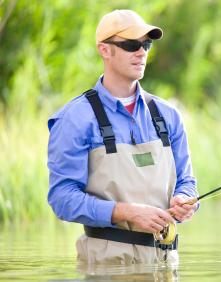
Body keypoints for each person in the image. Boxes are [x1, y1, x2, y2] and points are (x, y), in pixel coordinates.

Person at [47, 9, 198, 265]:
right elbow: (62, 199)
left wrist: (186, 201)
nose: (141, 52)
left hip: (166, 263)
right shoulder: (74, 119)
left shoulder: (169, 115)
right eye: (131, 45)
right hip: (106, 266)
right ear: (104, 50)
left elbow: (187, 181)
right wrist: (124, 212)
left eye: (146, 44)